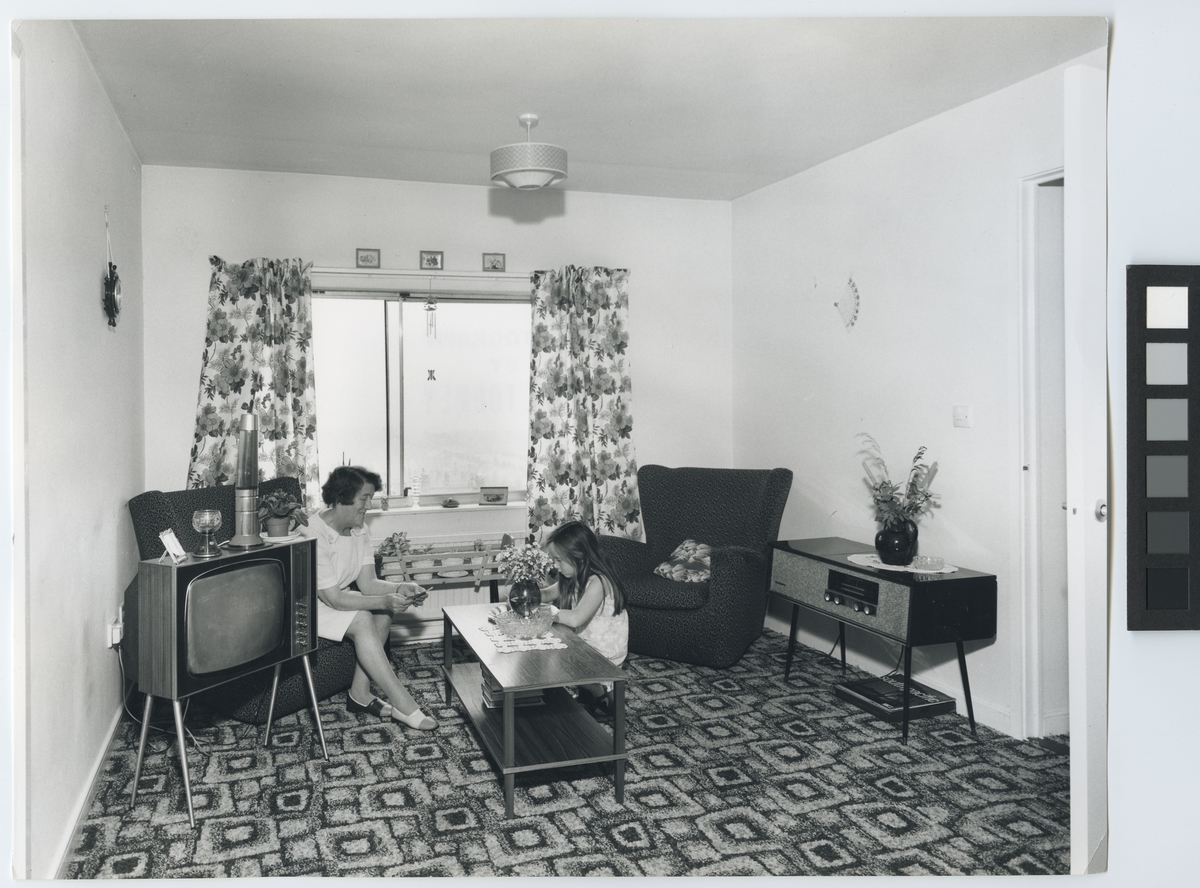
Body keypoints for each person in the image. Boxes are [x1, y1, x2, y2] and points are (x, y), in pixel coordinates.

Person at [301, 465, 437, 731]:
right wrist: (384, 600)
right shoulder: (313, 532)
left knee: (383, 614)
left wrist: (400, 588)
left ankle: (360, 695)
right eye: (364, 498)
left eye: (370, 498)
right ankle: (404, 704)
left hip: (334, 598)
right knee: (364, 617)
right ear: (341, 498)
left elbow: (367, 583)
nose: (369, 505)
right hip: (306, 607)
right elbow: (334, 599)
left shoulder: (359, 529)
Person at [540, 521, 629, 714]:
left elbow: (576, 618)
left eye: (559, 560)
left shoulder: (599, 581)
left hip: (604, 651)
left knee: (551, 658)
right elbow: (548, 594)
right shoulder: (572, 575)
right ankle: (588, 692)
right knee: (546, 648)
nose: (555, 566)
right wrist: (527, 595)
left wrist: (543, 613)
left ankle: (599, 690)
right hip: (586, 642)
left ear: (579, 556)